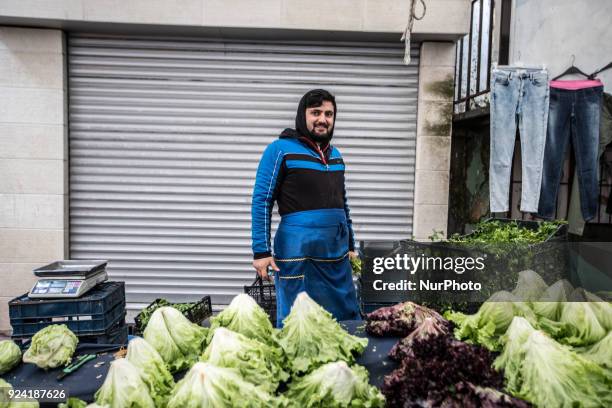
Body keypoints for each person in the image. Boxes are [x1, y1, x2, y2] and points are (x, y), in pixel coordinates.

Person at [251, 89, 361, 326]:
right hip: (297, 252)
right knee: (298, 321)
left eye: (329, 114)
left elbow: (342, 203)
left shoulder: (336, 156)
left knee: (343, 317)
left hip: (335, 254)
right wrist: (261, 252)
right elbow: (262, 200)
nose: (323, 119)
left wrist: (351, 244)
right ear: (303, 115)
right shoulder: (280, 150)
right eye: (316, 112)